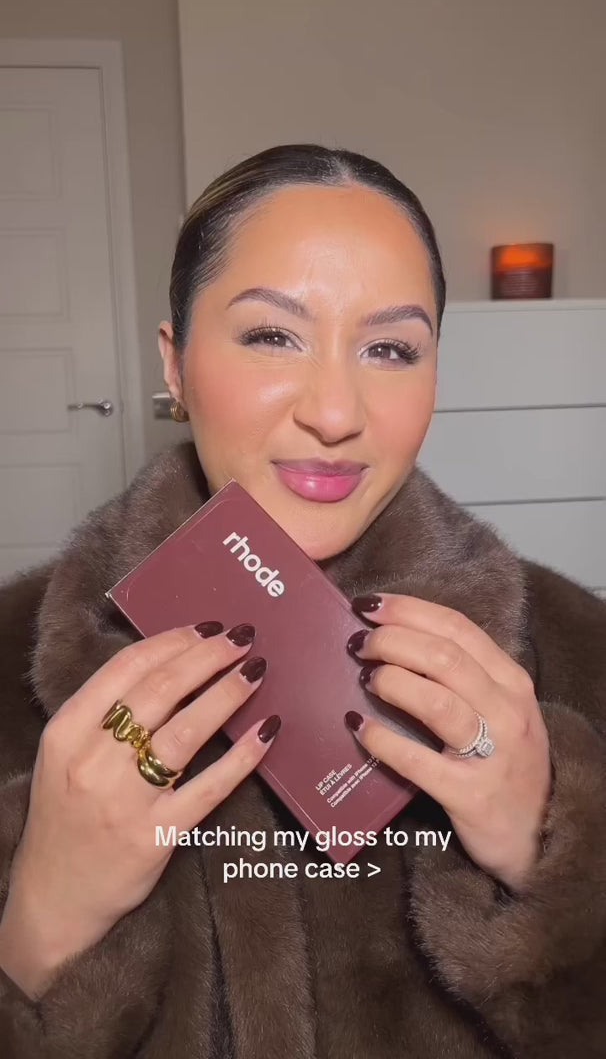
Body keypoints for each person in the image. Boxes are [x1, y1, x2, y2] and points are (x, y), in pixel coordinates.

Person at [0, 143, 605, 1059]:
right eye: (272, 336)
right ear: (175, 363)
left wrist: (553, 865)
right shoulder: (12, 656)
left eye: (390, 349)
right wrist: (41, 922)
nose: (334, 411)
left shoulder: (578, 649)